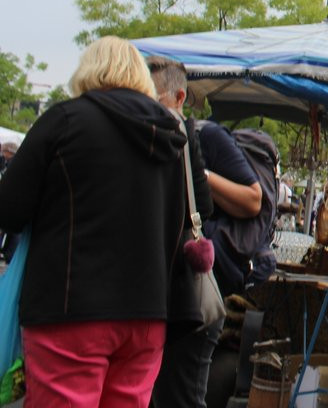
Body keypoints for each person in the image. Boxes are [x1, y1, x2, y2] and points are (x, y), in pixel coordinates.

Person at [0, 37, 189, 406]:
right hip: (147, 318)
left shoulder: (66, 119)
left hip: (70, 311)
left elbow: (9, 209)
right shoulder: (170, 135)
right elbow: (179, 224)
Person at [147, 55, 249, 408]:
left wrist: (201, 177)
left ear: (178, 97)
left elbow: (250, 199)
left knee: (179, 395)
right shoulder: (174, 132)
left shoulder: (189, 134)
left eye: (152, 96)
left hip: (182, 294)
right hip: (171, 292)